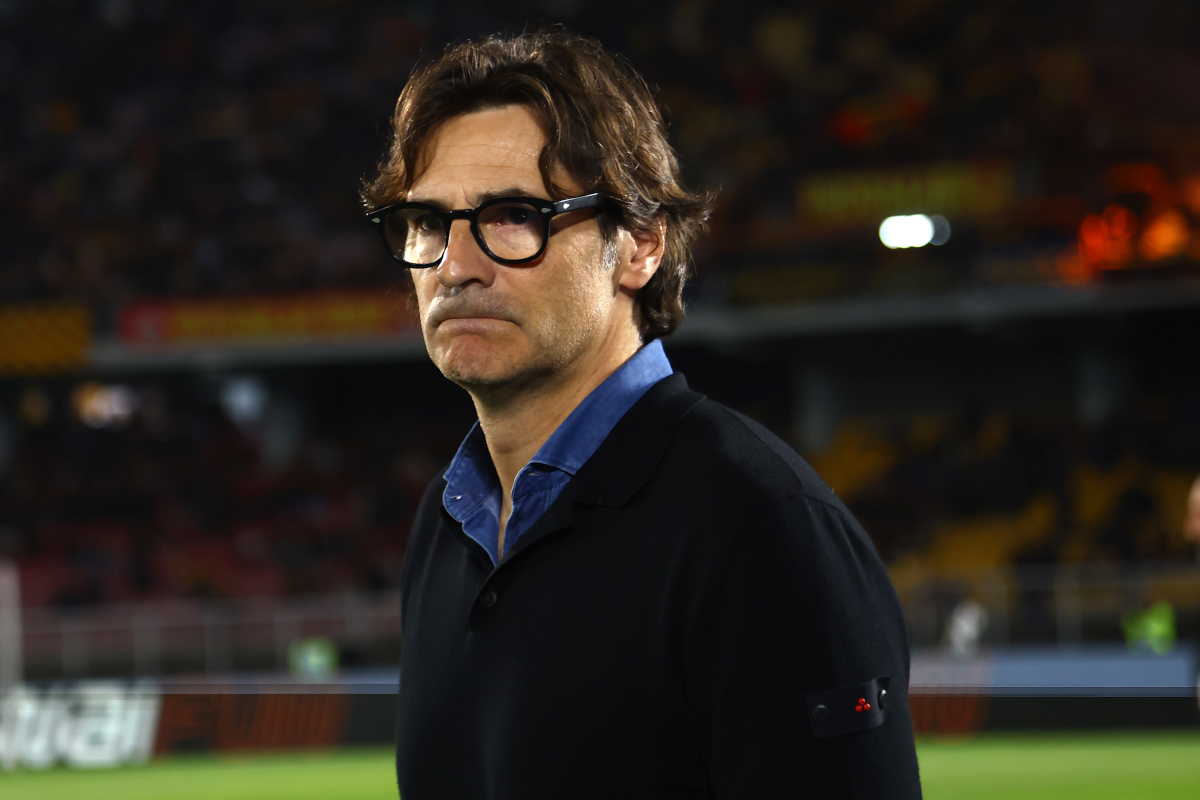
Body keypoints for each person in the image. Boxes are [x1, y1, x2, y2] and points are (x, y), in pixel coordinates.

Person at [363, 30, 922, 798]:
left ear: (641, 245)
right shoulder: (445, 520)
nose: (456, 266)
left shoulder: (762, 524)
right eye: (428, 222)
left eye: (514, 216)